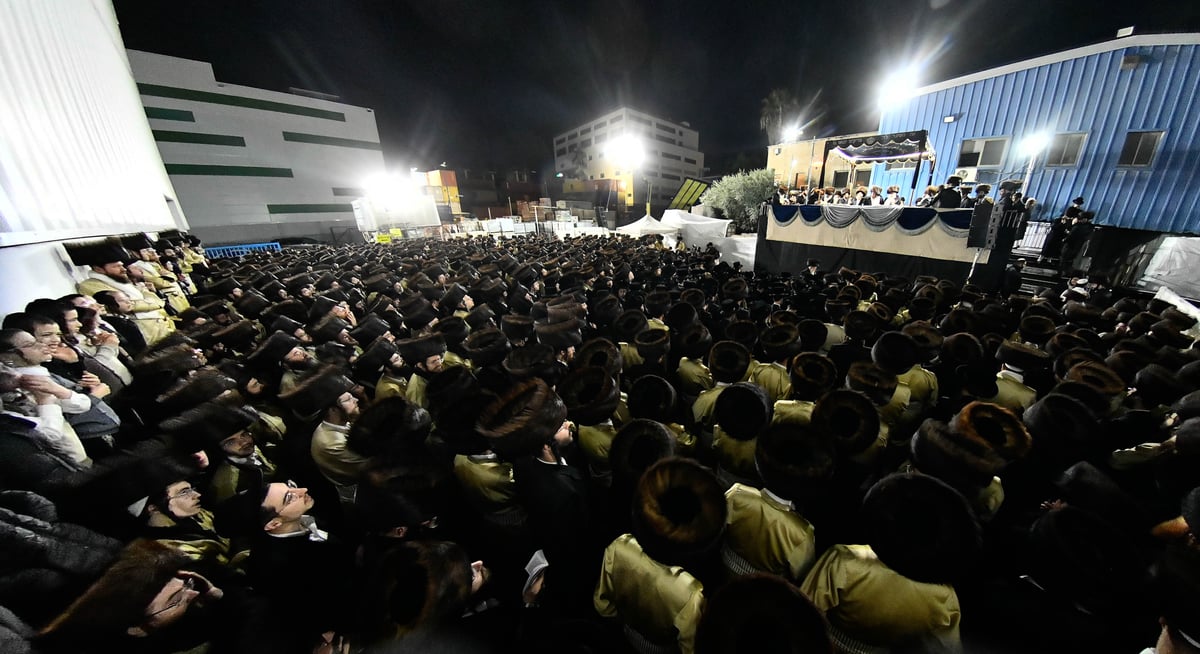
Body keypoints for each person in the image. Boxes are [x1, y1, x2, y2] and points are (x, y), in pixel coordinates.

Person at [65, 238, 175, 346]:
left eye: (122, 265)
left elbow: (156, 300)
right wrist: (147, 302)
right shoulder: (90, 285)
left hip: (160, 327)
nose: (123, 269)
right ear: (98, 269)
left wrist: (145, 300)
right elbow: (124, 306)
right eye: (116, 266)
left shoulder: (120, 279)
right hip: (145, 332)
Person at [1060, 211, 1097, 275]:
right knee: (1071, 259)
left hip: (1070, 245)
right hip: (1079, 246)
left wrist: (1065, 239)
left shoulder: (1078, 226)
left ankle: (1061, 272)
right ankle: (1067, 272)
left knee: (1064, 258)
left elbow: (1071, 235)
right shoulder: (1090, 227)